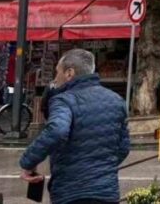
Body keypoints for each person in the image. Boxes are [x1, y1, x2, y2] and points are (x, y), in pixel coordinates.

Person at [19, 48, 131, 204]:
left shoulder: (63, 100)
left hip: (71, 192)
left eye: (57, 72)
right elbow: (124, 147)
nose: (55, 78)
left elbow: (57, 131)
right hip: (106, 192)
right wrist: (101, 168)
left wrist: (28, 163)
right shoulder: (116, 100)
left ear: (69, 73)